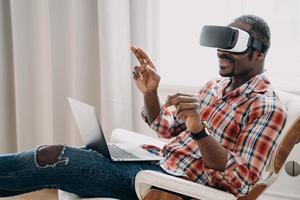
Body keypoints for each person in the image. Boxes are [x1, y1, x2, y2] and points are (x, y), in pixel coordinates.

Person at [0, 15, 286, 199]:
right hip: (156, 162)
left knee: (55, 157)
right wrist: (151, 94)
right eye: (221, 44)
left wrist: (200, 132)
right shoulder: (214, 86)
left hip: (170, 183)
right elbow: (167, 128)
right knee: (60, 159)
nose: (221, 51)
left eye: (232, 44)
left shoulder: (266, 106)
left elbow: (242, 182)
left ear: (259, 52)